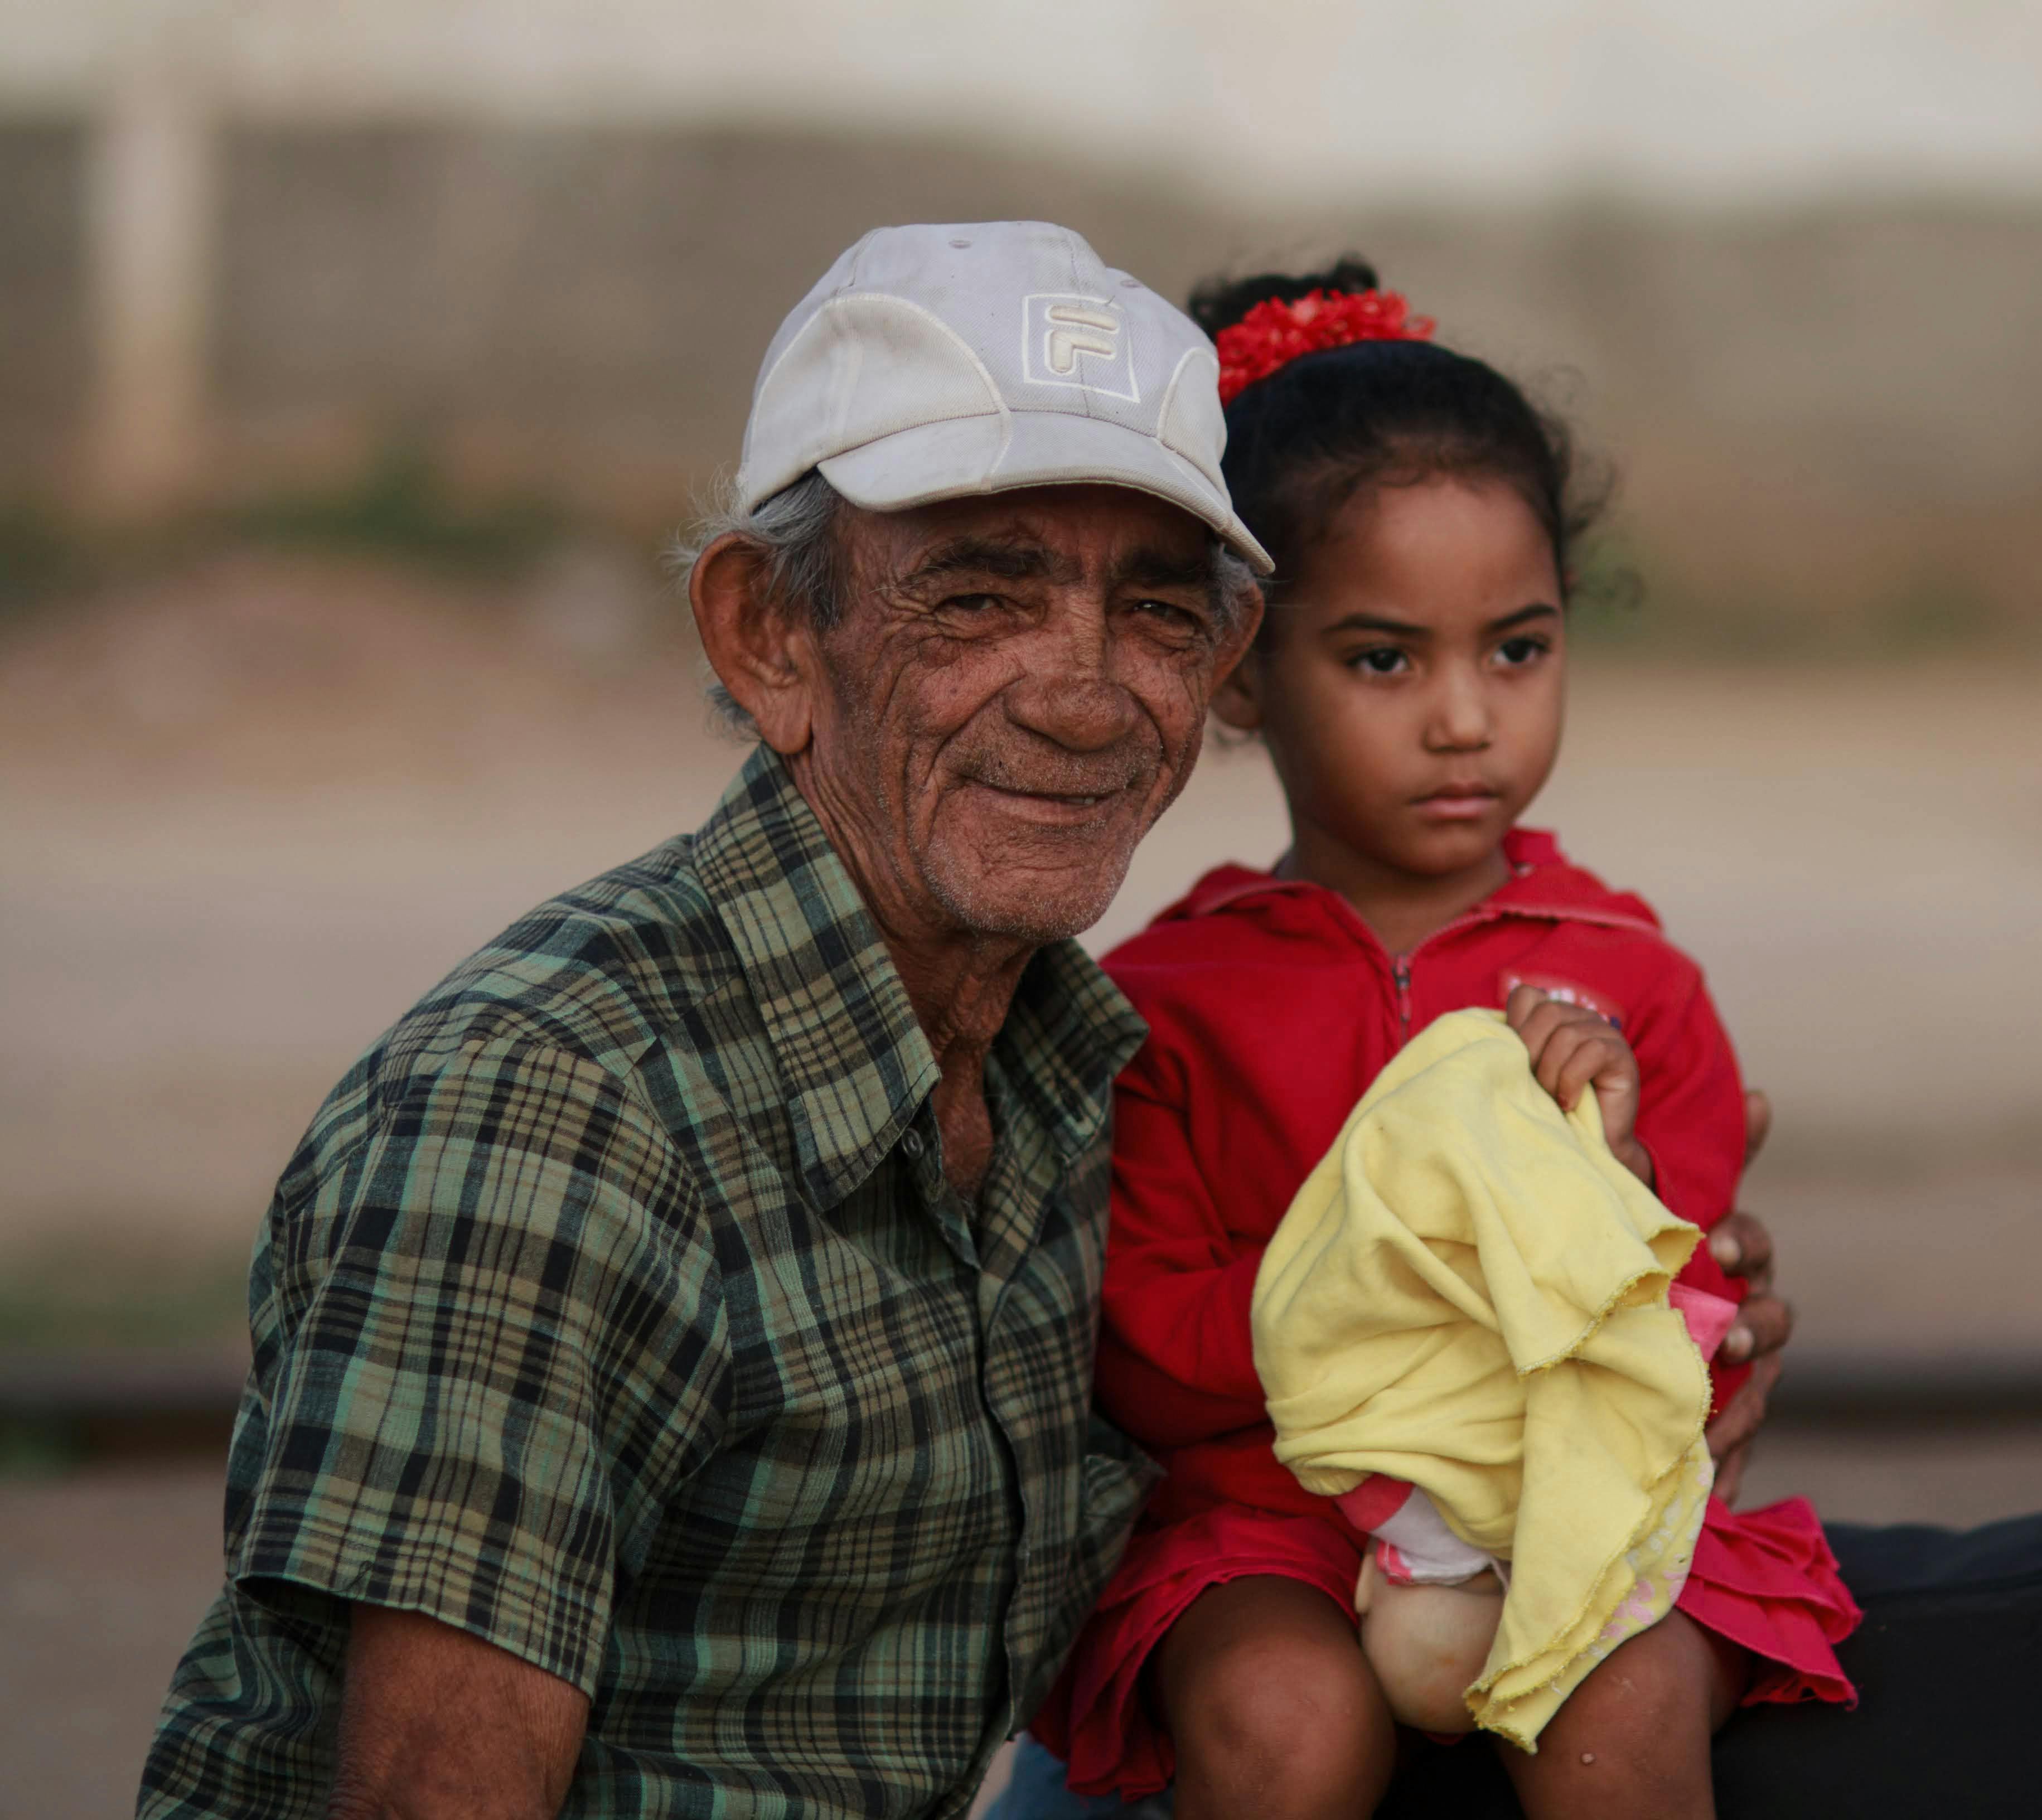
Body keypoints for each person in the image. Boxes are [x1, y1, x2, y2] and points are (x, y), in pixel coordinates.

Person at [136, 219, 1279, 1820]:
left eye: (1158, 612)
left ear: (1222, 659)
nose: (1085, 695)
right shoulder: (554, 1113)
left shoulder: (1061, 1071)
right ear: (769, 638)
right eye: (976, 599)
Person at [1023, 262, 1860, 1820]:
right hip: (1273, 1512)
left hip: (1576, 1505)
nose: (1467, 719)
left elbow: (1689, 1322)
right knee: (1282, 1722)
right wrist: (1380, 1290)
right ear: (1239, 669)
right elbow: (1138, 1341)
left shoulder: (1632, 980)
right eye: (1386, 659)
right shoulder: (1162, 998)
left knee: (1616, 1713)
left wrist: (1599, 1177)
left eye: (1519, 650)